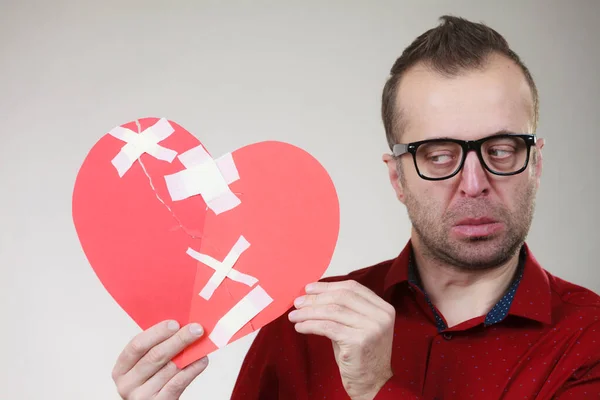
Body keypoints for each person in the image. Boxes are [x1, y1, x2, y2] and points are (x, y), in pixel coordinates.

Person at [110, 15, 600, 400]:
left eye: (500, 150)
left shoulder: (589, 341)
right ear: (397, 178)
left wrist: (376, 390)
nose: (474, 184)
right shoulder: (300, 326)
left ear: (535, 163)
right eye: (439, 156)